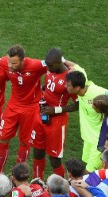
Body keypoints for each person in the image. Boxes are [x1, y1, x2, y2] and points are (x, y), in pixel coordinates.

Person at [0, 45, 47, 176]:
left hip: (31, 109)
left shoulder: (35, 65)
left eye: (14, 63)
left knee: (25, 142)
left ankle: (17, 176)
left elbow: (56, 62)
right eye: (9, 62)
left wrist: (74, 68)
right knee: (2, 138)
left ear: (23, 60)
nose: (10, 66)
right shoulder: (5, 62)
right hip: (13, 106)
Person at [30, 48, 82, 179]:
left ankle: (60, 190)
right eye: (47, 65)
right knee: (37, 152)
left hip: (57, 122)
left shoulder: (69, 78)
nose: (48, 67)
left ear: (60, 62)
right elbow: (48, 86)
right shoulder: (50, 69)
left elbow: (78, 104)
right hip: (41, 115)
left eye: (51, 65)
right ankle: (37, 182)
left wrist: (56, 110)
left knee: (54, 159)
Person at [65, 71, 108, 172]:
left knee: (88, 173)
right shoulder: (82, 89)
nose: (65, 87)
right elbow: (76, 66)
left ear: (77, 88)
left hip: (99, 141)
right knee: (87, 165)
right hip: (87, 137)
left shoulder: (96, 92)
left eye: (68, 85)